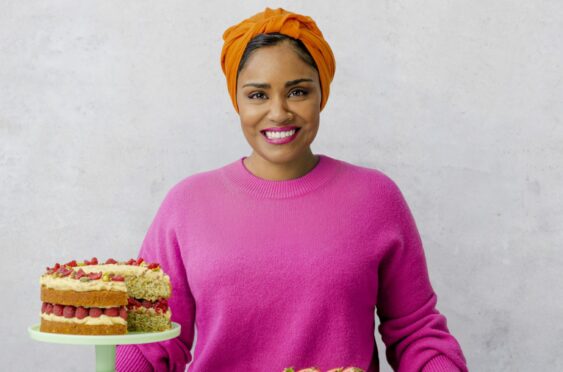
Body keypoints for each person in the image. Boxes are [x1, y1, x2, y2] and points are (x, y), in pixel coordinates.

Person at [116, 7, 468, 372]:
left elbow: (415, 332)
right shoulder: (186, 204)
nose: (279, 112)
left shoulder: (375, 197)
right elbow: (150, 341)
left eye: (298, 91)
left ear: (322, 95)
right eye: (257, 95)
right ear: (236, 101)